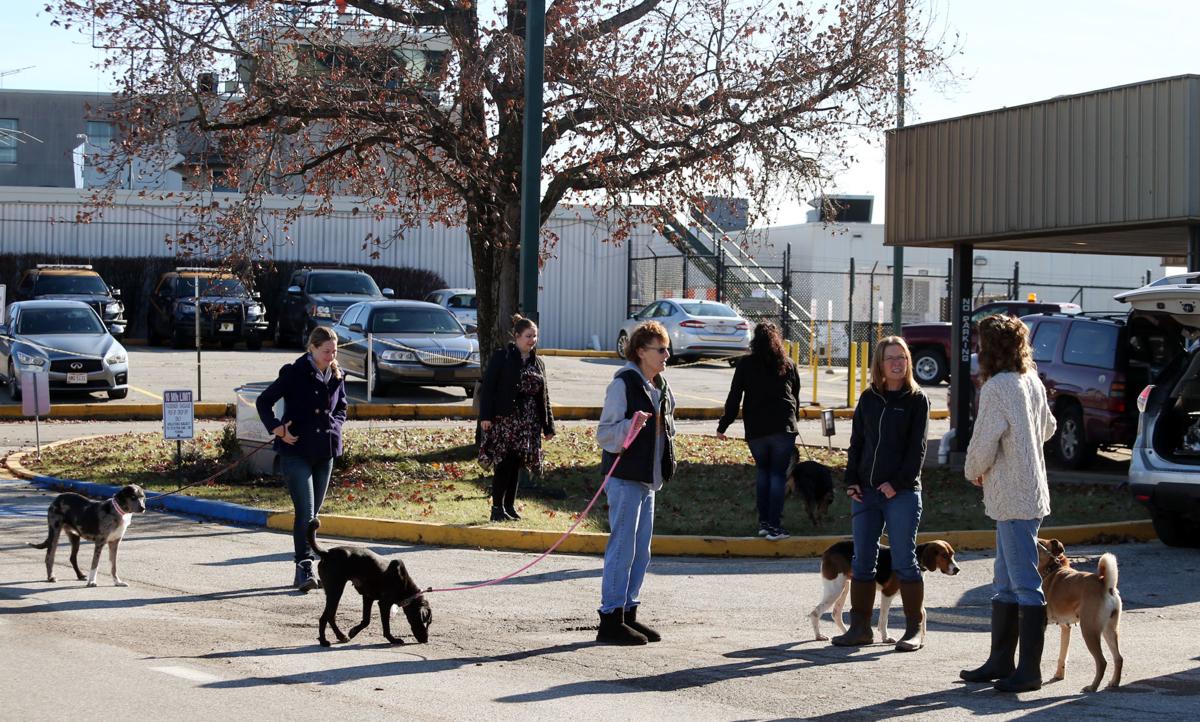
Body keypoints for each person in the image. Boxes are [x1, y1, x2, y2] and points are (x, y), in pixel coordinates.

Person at [960, 314, 1057, 692]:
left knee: (1023, 584)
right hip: (1030, 490)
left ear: (990, 348)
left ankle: (1028, 671)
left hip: (1012, 496)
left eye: (980, 343)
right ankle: (1000, 660)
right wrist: (1024, 445)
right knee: (1004, 582)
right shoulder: (1030, 379)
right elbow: (1047, 428)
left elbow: (983, 442)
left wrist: (973, 470)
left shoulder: (997, 387)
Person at [832, 336, 931, 652]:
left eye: (902, 357)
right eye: (891, 358)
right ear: (880, 364)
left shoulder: (917, 400)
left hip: (901, 494)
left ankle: (914, 629)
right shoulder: (869, 398)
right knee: (862, 561)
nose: (898, 363)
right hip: (866, 494)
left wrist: (898, 483)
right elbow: (857, 443)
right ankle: (860, 628)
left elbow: (918, 449)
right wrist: (852, 480)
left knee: (904, 560)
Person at [595, 320, 676, 645]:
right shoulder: (623, 384)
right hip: (625, 477)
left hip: (648, 479)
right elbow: (605, 433)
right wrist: (632, 424)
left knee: (641, 551)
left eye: (667, 348)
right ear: (641, 351)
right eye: (660, 349)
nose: (667, 355)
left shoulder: (660, 385)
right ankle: (610, 619)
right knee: (622, 548)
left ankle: (629, 613)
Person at [256, 325, 347, 592]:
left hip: (325, 450)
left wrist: (336, 425)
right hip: (296, 451)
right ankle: (304, 565)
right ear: (313, 348)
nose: (331, 356)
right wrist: (276, 427)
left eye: (334, 351)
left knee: (314, 515)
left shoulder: (337, 374)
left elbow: (342, 407)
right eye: (326, 351)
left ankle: (309, 564)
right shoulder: (294, 372)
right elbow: (264, 401)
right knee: (305, 513)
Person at [716, 322, 801, 540]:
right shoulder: (788, 364)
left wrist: (723, 425)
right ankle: (774, 525)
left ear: (754, 341)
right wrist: (794, 422)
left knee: (764, 472)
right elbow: (795, 397)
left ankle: (764, 523)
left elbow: (734, 398)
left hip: (756, 430)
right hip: (783, 427)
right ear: (777, 341)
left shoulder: (745, 364)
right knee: (777, 475)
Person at [477, 314, 556, 522]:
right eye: (528, 336)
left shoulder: (537, 363)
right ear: (517, 336)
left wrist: (548, 426)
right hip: (506, 420)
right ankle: (497, 508)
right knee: (504, 464)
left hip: (528, 423)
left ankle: (509, 507)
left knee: (517, 464)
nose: (532, 340)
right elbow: (488, 389)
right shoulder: (502, 357)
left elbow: (544, 396)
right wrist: (486, 416)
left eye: (535, 336)